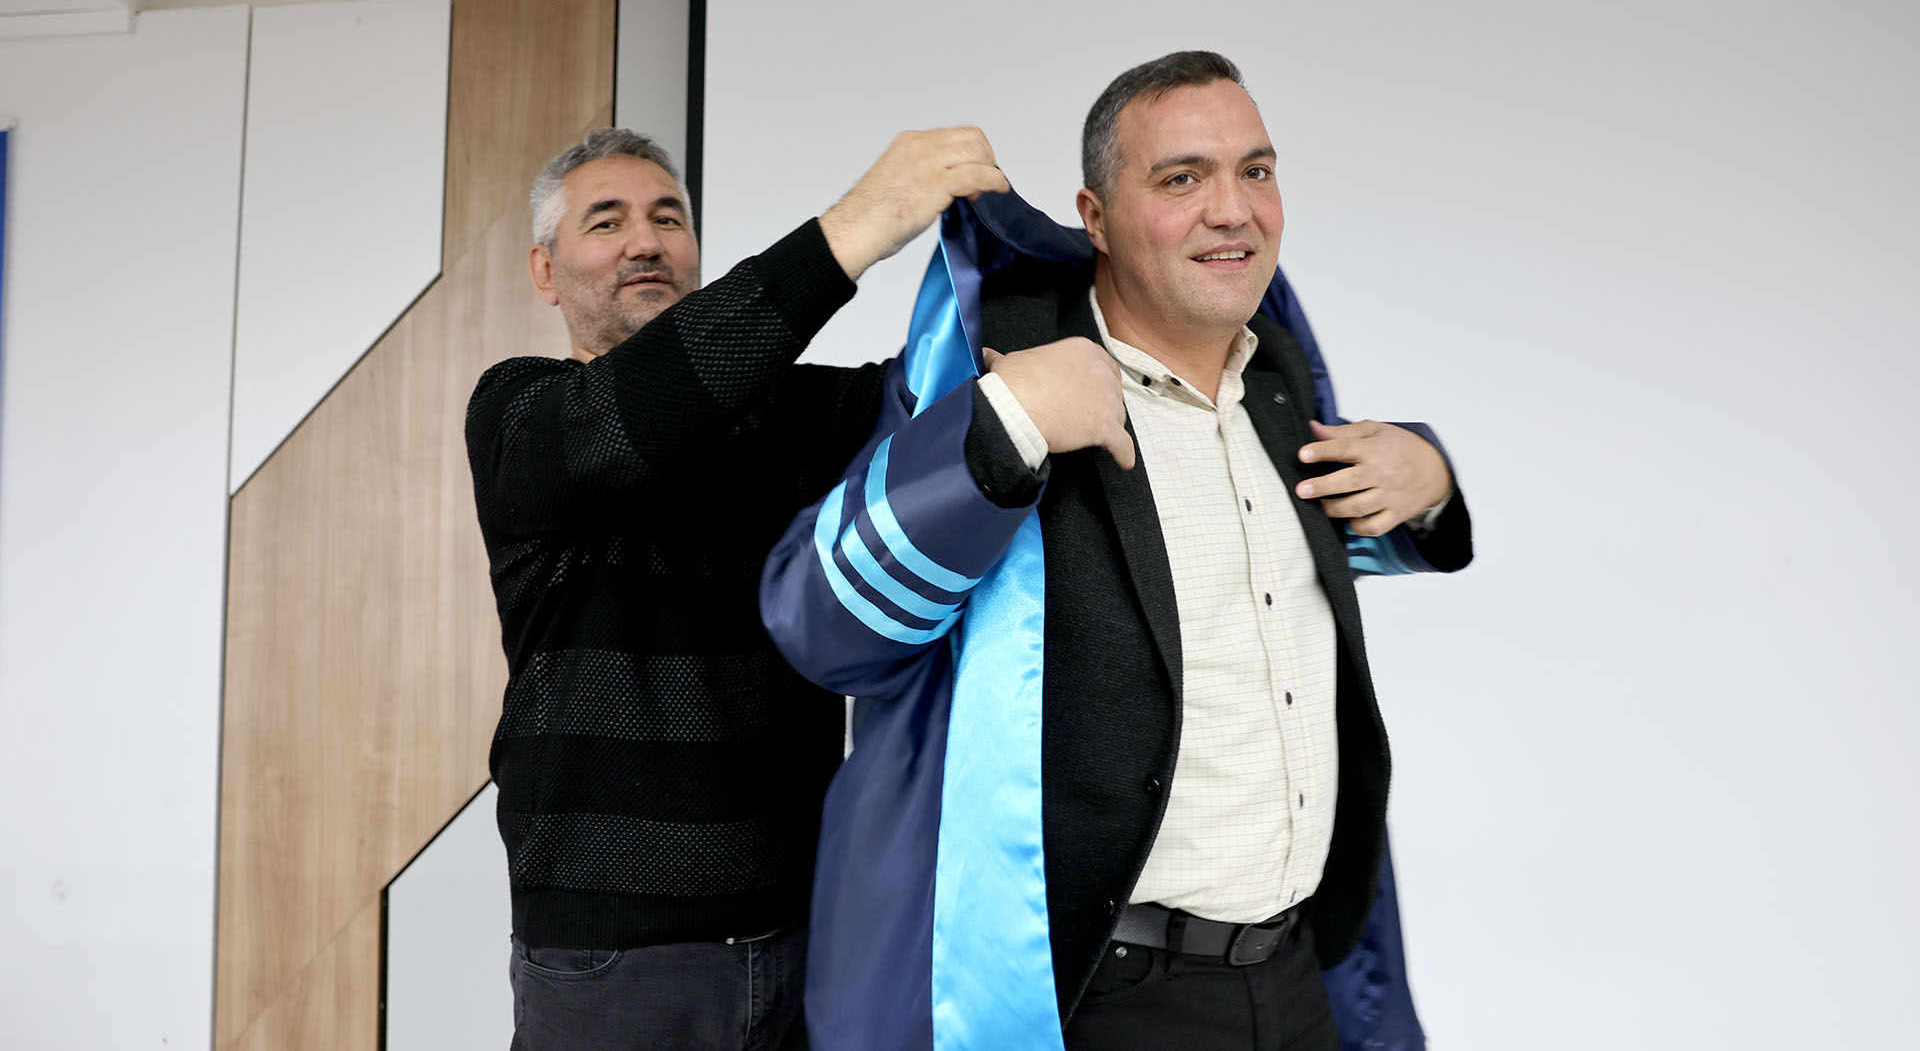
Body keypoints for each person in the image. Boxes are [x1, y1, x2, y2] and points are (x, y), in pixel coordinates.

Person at [760, 52, 1472, 1051]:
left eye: (1256, 171)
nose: (1233, 209)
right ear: (1095, 217)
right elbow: (822, 623)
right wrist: (1003, 428)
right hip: (1108, 997)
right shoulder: (997, 374)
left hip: (1294, 976)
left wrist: (1430, 481)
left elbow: (1314, 550)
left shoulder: (1277, 384)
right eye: (1182, 178)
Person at [464, 125, 1007, 1050]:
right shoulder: (519, 410)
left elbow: (954, 404)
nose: (646, 240)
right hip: (616, 967)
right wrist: (856, 227)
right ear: (545, 271)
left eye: (668, 218)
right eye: (607, 221)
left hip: (807, 943)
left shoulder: (792, 416)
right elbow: (633, 415)